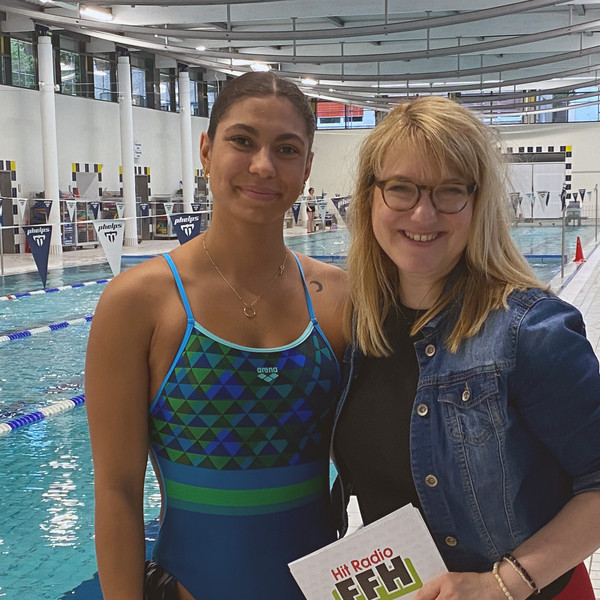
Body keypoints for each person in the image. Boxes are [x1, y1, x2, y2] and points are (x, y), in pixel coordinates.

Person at [86, 71, 347, 600]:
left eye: (287, 148)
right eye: (242, 141)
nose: (262, 166)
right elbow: (116, 491)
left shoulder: (338, 297)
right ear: (206, 151)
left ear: (307, 169)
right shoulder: (139, 302)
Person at [331, 95, 600, 600]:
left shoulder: (528, 332)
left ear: (478, 203)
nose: (423, 212)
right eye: (402, 189)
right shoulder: (357, 330)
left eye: (450, 191)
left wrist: (501, 585)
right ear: (371, 196)